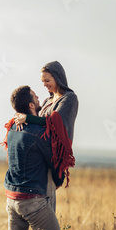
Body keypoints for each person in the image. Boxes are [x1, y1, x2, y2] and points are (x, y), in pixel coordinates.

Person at [0, 85, 64, 230]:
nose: (39, 96)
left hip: (11, 198)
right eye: (36, 95)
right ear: (32, 105)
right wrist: (60, 179)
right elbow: (55, 162)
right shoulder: (38, 132)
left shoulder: (11, 130)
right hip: (32, 200)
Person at [15, 61, 78, 212]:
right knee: (36, 202)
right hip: (39, 157)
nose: (44, 84)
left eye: (47, 81)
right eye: (42, 81)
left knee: (46, 206)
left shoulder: (69, 99)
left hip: (52, 156)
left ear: (58, 78)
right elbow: (36, 120)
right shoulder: (47, 101)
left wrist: (28, 119)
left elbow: (55, 123)